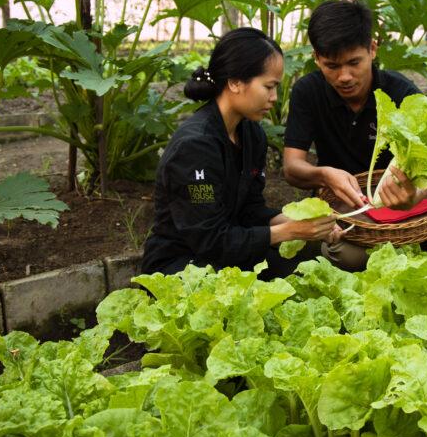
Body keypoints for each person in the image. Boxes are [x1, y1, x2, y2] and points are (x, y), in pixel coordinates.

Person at [282, 0, 427, 270]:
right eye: (331, 66)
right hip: (349, 209)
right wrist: (325, 175)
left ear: (372, 49)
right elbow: (292, 167)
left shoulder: (400, 91)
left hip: (409, 203)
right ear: (316, 58)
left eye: (354, 62)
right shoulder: (307, 92)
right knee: (348, 257)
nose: (344, 77)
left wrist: (416, 193)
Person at [140, 27, 339, 280]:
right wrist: (289, 231)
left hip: (228, 255)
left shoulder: (252, 134)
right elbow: (208, 238)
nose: (275, 97)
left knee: (303, 276)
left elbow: (250, 210)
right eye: (269, 86)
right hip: (184, 265)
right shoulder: (195, 148)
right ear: (234, 82)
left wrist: (304, 221)